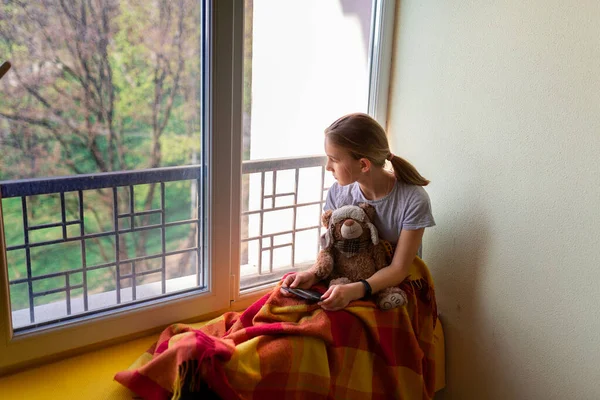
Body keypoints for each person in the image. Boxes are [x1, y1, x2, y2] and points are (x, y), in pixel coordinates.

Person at [280, 112, 435, 311]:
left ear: (363, 164)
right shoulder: (338, 192)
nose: (328, 167)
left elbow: (399, 269)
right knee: (287, 298)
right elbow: (333, 249)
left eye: (333, 159)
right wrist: (311, 274)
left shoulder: (413, 200)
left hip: (392, 286)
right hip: (347, 278)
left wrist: (355, 290)